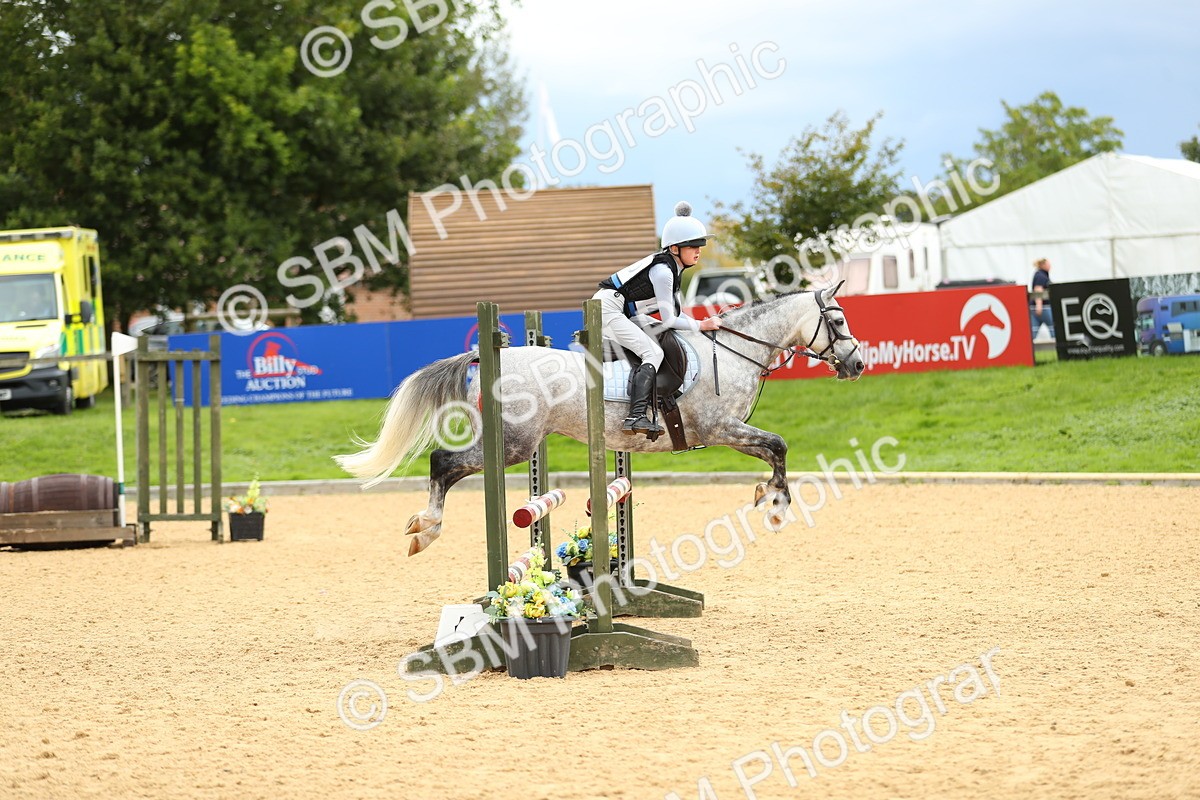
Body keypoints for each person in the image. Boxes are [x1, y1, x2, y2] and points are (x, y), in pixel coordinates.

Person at [593, 201, 722, 438]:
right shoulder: (663, 272)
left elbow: (676, 315)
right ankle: (635, 416)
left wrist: (701, 324)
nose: (698, 251)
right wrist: (702, 325)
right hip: (608, 309)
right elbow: (670, 320)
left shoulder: (674, 269)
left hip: (621, 310)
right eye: (692, 246)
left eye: (699, 246)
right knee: (653, 353)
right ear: (674, 248)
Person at [1029, 257, 1055, 340]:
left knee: (1033, 331)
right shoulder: (1041, 276)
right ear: (1043, 265)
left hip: (1037, 308)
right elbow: (1038, 290)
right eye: (1048, 264)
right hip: (1044, 307)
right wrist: (1039, 305)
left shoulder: (1040, 275)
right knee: (1053, 328)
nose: (1050, 266)